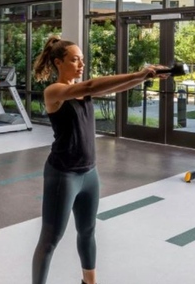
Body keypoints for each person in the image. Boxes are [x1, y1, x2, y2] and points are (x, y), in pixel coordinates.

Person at [32, 35, 166, 284]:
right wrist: (140, 73)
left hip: (89, 174)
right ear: (59, 62)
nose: (81, 64)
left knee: (87, 231)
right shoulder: (55, 91)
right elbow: (92, 86)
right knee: (50, 239)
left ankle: (89, 282)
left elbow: (112, 88)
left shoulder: (81, 89)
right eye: (75, 60)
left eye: (82, 59)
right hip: (63, 174)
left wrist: (143, 77)